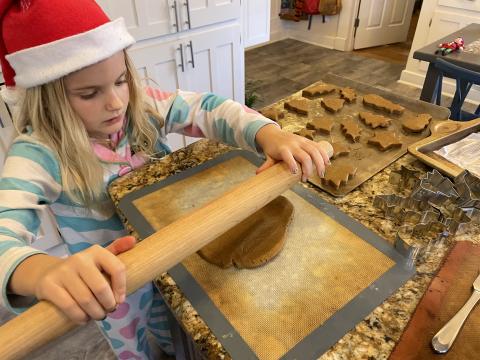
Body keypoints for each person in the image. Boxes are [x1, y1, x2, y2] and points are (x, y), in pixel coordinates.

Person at [0, 0, 332, 358]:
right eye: (89, 93)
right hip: (114, 288)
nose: (115, 103)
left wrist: (268, 135)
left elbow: (208, 108)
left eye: (120, 80)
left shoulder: (139, 110)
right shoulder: (38, 154)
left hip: (171, 254)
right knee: (133, 346)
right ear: (47, 99)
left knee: (173, 323)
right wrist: (42, 273)